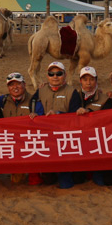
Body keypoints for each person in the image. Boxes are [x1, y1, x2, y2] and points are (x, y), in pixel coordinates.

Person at [32, 61, 81, 189]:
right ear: (47, 76)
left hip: (64, 138)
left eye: (59, 73)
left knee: (67, 182)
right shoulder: (40, 91)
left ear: (65, 75)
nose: (55, 76)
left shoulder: (72, 92)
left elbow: (74, 116)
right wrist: (34, 113)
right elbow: (33, 105)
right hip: (46, 137)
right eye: (51, 74)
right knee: (48, 179)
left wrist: (58, 114)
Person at [0, 72, 42, 186]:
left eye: (18, 84)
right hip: (12, 143)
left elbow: (43, 119)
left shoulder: (34, 101)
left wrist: (37, 116)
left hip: (29, 143)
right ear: (8, 87)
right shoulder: (4, 100)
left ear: (24, 84)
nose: (15, 87)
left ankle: (34, 173)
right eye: (11, 85)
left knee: (35, 181)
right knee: (16, 181)